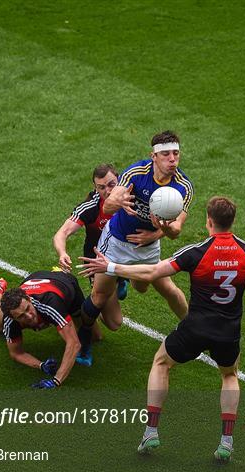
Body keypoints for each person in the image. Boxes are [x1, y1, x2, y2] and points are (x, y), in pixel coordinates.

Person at [79, 196, 245, 461]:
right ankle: (226, 442)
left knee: (161, 363)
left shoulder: (196, 251)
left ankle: (151, 432)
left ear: (209, 221)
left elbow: (152, 273)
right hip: (228, 332)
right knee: (229, 376)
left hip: (194, 328)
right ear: (232, 221)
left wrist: (110, 266)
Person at [80, 130, 194, 333]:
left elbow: (176, 231)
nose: (172, 159)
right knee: (100, 297)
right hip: (117, 241)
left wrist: (160, 228)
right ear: (154, 156)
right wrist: (118, 201)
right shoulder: (136, 173)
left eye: (176, 153)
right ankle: (84, 340)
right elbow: (107, 209)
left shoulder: (183, 187)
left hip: (147, 246)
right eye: (166, 154)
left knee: (156, 288)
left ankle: (195, 329)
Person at [52, 164, 130, 364]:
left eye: (112, 184)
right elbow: (62, 233)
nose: (108, 191)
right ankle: (115, 285)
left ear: (120, 180)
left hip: (129, 255)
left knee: (148, 282)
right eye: (101, 187)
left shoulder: (131, 195)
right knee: (114, 323)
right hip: (99, 261)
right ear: (95, 188)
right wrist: (62, 253)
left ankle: (123, 280)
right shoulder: (91, 207)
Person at [0, 270, 94, 388]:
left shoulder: (50, 304)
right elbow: (16, 353)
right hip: (33, 283)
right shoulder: (10, 321)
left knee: (94, 336)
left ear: (28, 299)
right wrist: (40, 365)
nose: (29, 316)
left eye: (28, 309)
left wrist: (56, 380)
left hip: (64, 282)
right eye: (21, 316)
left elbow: (74, 343)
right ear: (13, 318)